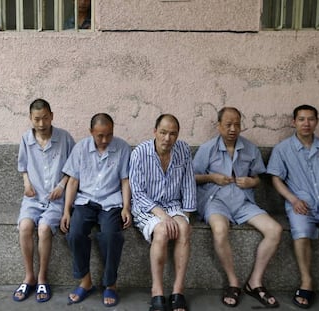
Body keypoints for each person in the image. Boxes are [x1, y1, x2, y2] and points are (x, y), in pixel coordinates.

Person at [193, 107, 282, 308]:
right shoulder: (208, 148)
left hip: (243, 201)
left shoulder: (250, 149)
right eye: (228, 124)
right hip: (215, 200)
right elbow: (192, 177)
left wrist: (252, 182)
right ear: (219, 126)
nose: (233, 129)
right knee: (220, 229)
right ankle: (233, 282)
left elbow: (258, 178)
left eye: (237, 124)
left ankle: (255, 282)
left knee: (275, 230)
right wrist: (211, 177)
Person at [60, 113, 132, 307]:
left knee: (111, 235)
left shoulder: (122, 148)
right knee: (74, 233)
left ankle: (111, 284)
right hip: (85, 201)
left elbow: (125, 180)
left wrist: (126, 207)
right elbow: (73, 181)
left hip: (111, 202)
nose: (104, 140)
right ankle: (85, 281)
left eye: (109, 135)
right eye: (100, 135)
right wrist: (67, 211)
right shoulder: (80, 148)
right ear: (91, 132)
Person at [129, 114, 196, 311]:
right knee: (162, 231)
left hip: (173, 204)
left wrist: (186, 215)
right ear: (155, 132)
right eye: (163, 132)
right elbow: (137, 191)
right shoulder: (140, 152)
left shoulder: (183, 150)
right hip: (147, 206)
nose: (168, 138)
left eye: (173, 134)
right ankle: (157, 291)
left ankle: (178, 291)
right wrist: (163, 216)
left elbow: (189, 183)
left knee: (184, 229)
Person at [12, 99, 75, 303]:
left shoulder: (64, 138)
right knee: (25, 226)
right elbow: (23, 167)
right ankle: (29, 275)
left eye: (45, 118)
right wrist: (26, 184)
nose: (41, 123)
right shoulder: (25, 139)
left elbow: (74, 168)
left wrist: (61, 186)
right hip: (33, 197)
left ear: (52, 116)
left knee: (44, 228)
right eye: (37, 119)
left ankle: (42, 277)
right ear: (31, 118)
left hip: (56, 199)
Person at [267, 104, 319, 309]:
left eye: (311, 119)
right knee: (301, 230)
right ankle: (307, 281)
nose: (306, 123)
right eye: (301, 119)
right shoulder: (283, 149)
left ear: (316, 122)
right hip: (301, 203)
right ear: (293, 122)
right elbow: (276, 179)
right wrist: (293, 199)